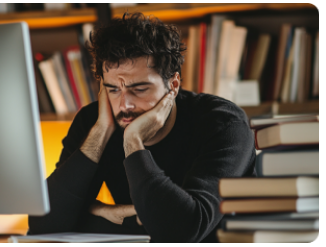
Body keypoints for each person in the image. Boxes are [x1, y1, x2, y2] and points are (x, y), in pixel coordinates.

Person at [27, 12, 256, 242]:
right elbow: (43, 225)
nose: (124, 104)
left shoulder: (223, 124)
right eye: (113, 89)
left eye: (140, 89)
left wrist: (133, 141)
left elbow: (182, 232)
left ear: (173, 85)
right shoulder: (94, 122)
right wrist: (100, 132)